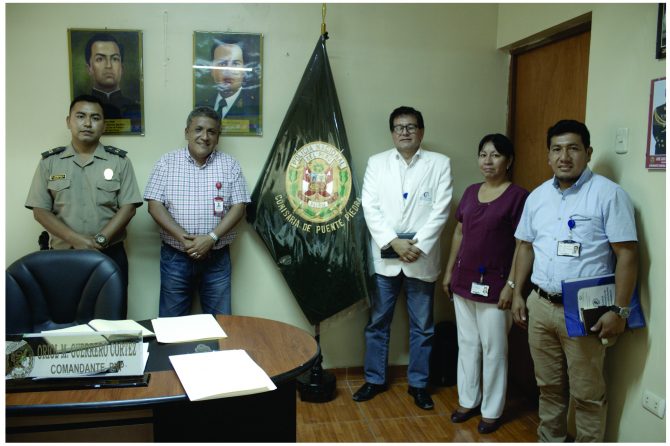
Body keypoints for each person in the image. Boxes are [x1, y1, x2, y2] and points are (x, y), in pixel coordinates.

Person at [511, 120, 638, 442]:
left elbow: (627, 255)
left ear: (588, 152)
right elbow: (525, 247)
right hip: (540, 305)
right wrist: (516, 293)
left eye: (573, 148)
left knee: (587, 395)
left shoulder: (609, 195)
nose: (564, 156)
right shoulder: (537, 197)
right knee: (548, 388)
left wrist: (620, 311)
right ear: (548, 156)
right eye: (557, 149)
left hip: (585, 311)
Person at [354, 106, 453, 410]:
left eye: (411, 127)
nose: (405, 132)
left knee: (422, 325)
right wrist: (394, 242)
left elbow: (442, 208)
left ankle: (419, 385)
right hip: (386, 257)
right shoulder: (377, 163)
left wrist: (416, 245)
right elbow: (369, 206)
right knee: (378, 322)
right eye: (399, 127)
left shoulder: (439, 163)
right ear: (392, 133)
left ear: (421, 132)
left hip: (420, 258)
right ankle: (374, 379)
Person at [25, 94, 143, 317]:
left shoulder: (119, 161)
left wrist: (100, 240)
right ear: (68, 121)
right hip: (62, 256)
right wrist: (76, 240)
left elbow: (128, 207)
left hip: (110, 254)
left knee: (112, 321)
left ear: (104, 125)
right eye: (80, 116)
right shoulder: (50, 162)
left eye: (95, 118)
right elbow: (40, 211)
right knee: (64, 320)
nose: (87, 123)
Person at [442, 134, 528, 434]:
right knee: (467, 344)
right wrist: (449, 271)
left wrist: (512, 285)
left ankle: (491, 410)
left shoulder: (518, 197)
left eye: (495, 155)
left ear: (509, 161)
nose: (487, 161)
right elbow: (458, 234)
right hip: (464, 283)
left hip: (496, 287)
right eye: (483, 154)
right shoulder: (470, 192)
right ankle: (468, 400)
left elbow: (523, 244)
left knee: (494, 349)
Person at [144, 106, 250, 317]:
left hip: (216, 258)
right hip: (176, 256)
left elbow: (239, 206)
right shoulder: (167, 163)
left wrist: (211, 238)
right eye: (198, 129)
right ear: (187, 133)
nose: (204, 136)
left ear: (218, 137)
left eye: (211, 131)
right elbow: (154, 205)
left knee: (221, 324)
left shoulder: (230, 165)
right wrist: (185, 240)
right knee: (171, 326)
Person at [195, 39, 260, 133]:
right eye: (222, 63)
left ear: (244, 71)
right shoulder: (200, 107)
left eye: (235, 64)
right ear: (212, 70)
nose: (228, 70)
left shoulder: (254, 107)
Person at [85, 33, 141, 131]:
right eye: (100, 59)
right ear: (89, 68)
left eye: (115, 59)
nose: (109, 66)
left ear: (122, 68)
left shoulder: (135, 107)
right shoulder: (83, 108)